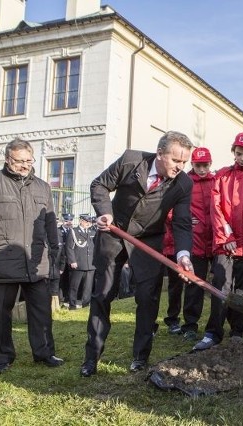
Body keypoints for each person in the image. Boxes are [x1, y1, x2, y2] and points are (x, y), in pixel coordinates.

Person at [80, 131, 195, 377]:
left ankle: (140, 358)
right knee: (102, 295)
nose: (181, 166)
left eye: (185, 162)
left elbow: (183, 223)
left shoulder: (184, 183)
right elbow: (99, 184)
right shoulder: (131, 160)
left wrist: (183, 254)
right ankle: (91, 358)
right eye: (176, 160)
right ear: (160, 153)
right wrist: (104, 212)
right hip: (114, 232)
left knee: (148, 299)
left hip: (148, 241)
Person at [0, 138, 64, 373]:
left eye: (29, 160)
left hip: (36, 262)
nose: (24, 165)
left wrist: (54, 257)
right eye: (19, 161)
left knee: (41, 312)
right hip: (0, 262)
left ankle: (45, 352)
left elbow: (50, 226)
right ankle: (2, 357)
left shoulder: (42, 187)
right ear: (7, 159)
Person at [193, 133, 243, 351]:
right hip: (225, 245)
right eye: (238, 154)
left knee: (242, 291)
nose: (242, 158)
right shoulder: (222, 176)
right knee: (220, 286)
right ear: (234, 153)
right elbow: (216, 208)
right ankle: (213, 333)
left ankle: (237, 332)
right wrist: (225, 237)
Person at [163, 147, 215, 341]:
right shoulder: (183, 182)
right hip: (195, 242)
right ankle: (190, 325)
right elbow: (169, 208)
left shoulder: (216, 181)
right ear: (192, 164)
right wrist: (183, 218)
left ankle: (220, 324)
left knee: (221, 284)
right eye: (198, 165)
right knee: (194, 284)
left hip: (215, 240)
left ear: (210, 165)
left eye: (205, 165)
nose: (202, 169)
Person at [65, 214, 96, 310]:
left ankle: (86, 304)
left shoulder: (92, 232)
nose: (88, 224)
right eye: (86, 222)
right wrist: (72, 261)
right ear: (81, 221)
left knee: (88, 287)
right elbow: (69, 248)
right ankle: (72, 305)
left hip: (90, 264)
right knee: (74, 286)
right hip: (78, 263)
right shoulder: (74, 232)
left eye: (89, 222)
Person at [58, 213, 74, 305]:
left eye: (70, 221)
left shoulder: (73, 231)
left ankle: (68, 298)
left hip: (70, 259)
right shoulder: (59, 231)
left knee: (70, 279)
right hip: (61, 259)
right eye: (67, 221)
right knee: (61, 280)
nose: (69, 222)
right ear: (63, 221)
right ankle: (60, 298)